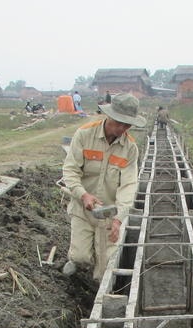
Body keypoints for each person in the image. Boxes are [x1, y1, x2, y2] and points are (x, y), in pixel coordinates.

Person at [60, 93, 146, 281]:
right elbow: (70, 170)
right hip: (83, 209)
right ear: (109, 116)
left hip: (109, 214)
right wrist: (83, 195)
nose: (122, 128)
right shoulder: (84, 135)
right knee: (80, 256)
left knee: (107, 266)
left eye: (127, 125)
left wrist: (118, 219)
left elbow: (128, 186)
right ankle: (78, 262)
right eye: (119, 123)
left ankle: (98, 287)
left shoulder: (130, 148)